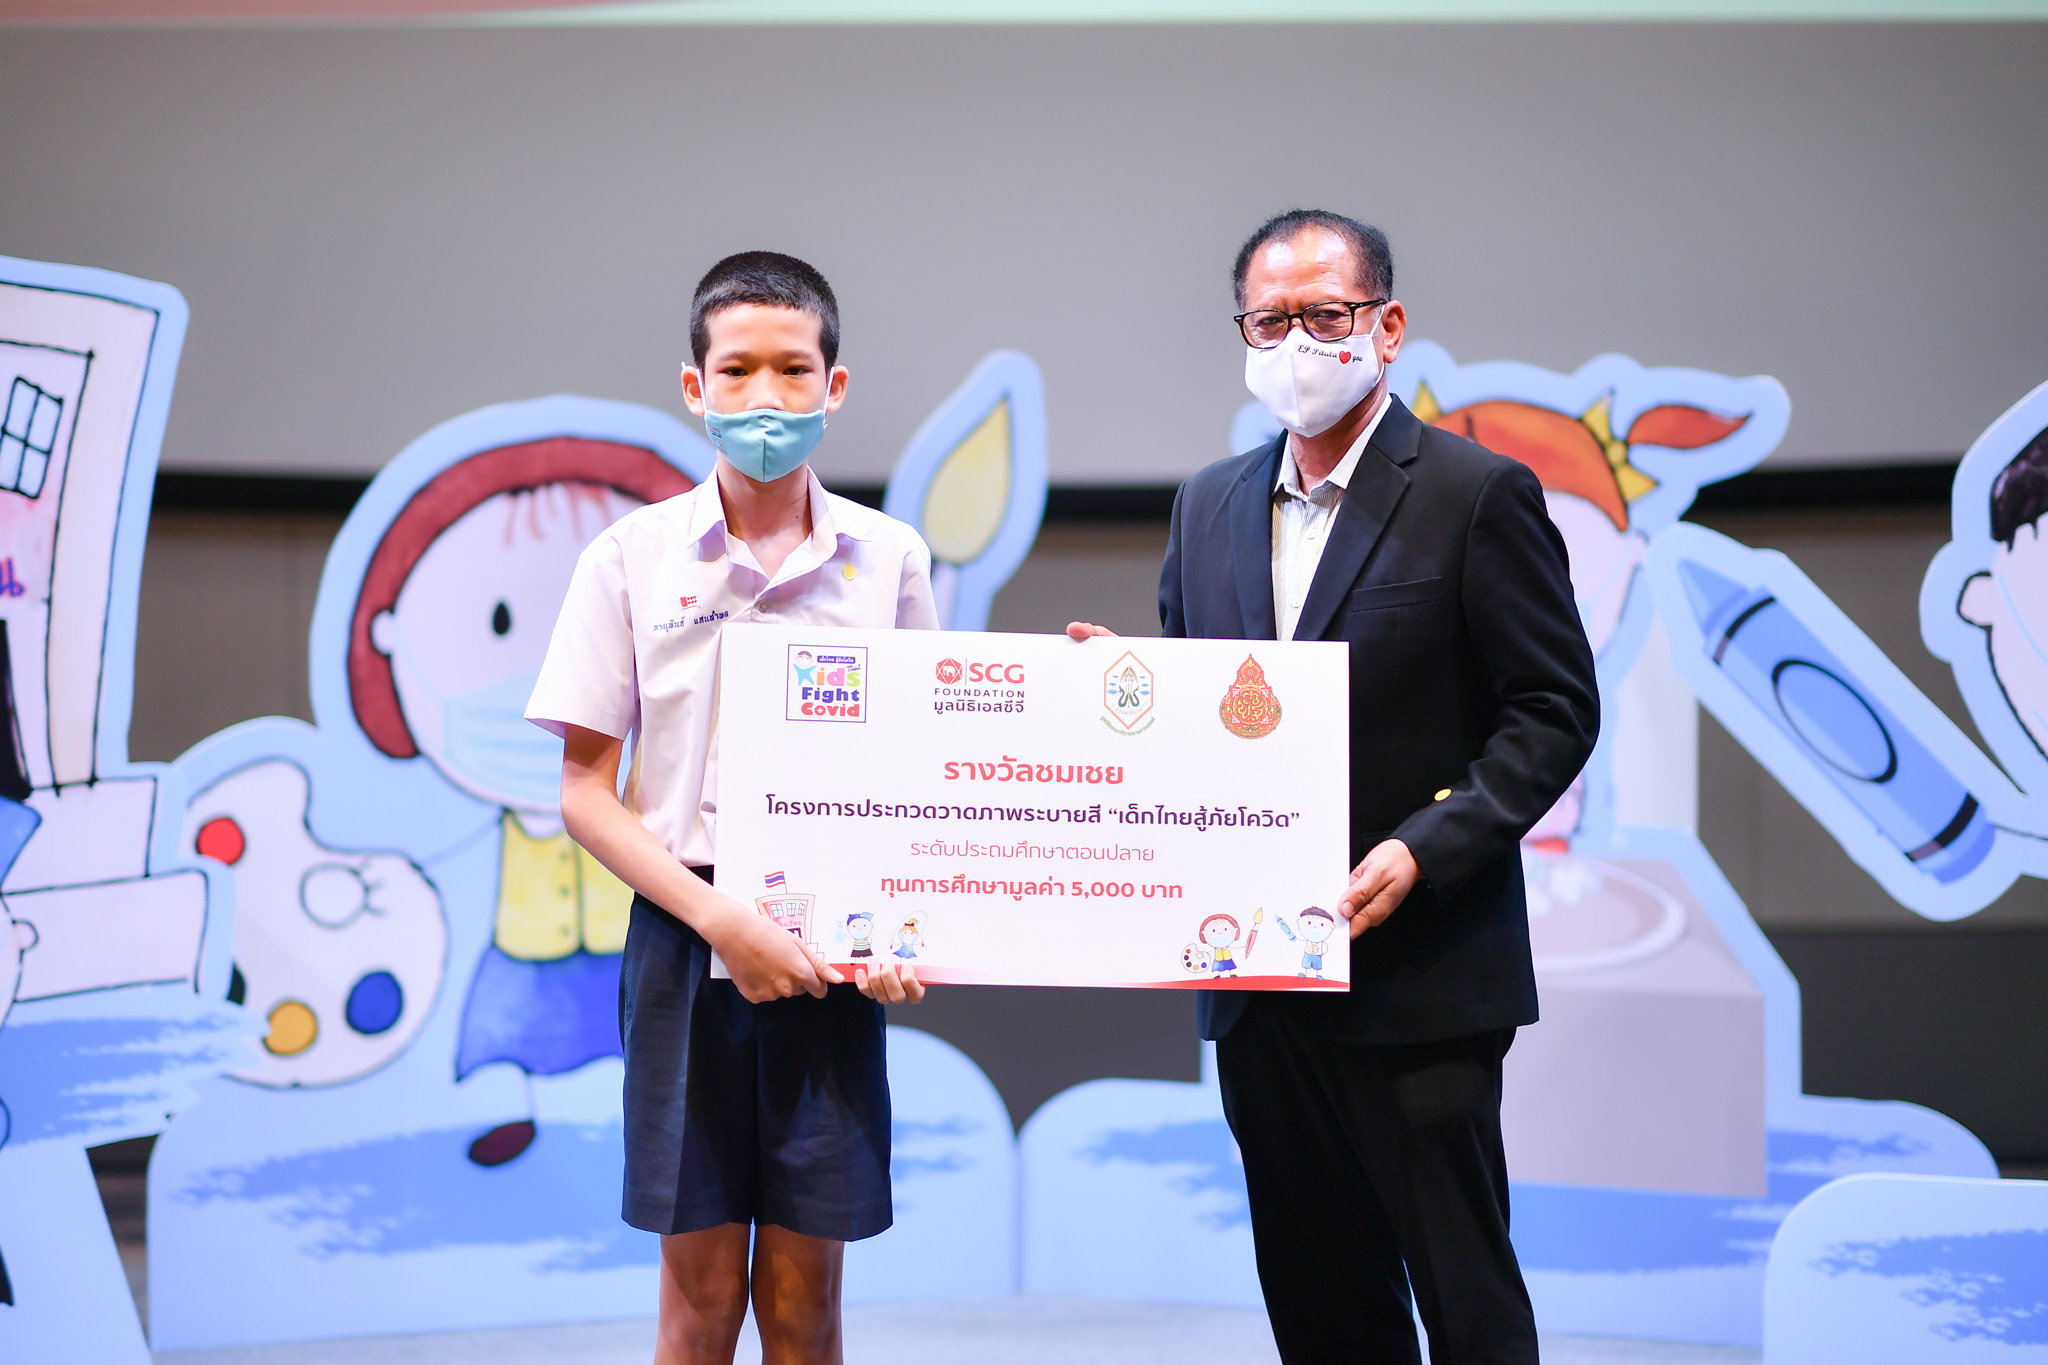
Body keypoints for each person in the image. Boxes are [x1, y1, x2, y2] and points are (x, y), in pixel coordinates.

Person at [1070, 209, 1598, 1363]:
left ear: (1385, 326)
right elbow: (1203, 711)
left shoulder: (1473, 493)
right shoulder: (1205, 502)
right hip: (1257, 981)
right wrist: (1115, 695)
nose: (1295, 343)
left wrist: (1423, 848)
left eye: (1322, 315)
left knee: (1465, 1304)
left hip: (1418, 977)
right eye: (1268, 322)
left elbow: (1550, 711)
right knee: (1321, 1311)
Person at [528, 251, 938, 1365]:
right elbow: (583, 793)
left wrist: (904, 932)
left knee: (806, 1305)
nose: (766, 394)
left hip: (833, 949)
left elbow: (924, 775)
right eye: (738, 369)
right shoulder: (629, 558)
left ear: (833, 387)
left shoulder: (889, 560)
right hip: (683, 937)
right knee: (698, 1302)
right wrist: (722, 922)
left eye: (793, 369)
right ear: (694, 387)